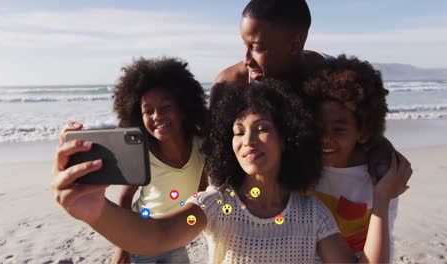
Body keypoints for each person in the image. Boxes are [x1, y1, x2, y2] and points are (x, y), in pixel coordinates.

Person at [52, 79, 411, 263]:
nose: (247, 140)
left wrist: (381, 199)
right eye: (237, 132)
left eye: (262, 128)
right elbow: (156, 235)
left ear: (287, 137)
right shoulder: (219, 206)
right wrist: (97, 212)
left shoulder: (311, 214)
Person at [211, 0, 407, 184]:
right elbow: (214, 156)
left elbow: (359, 125)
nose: (246, 59)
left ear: (294, 44)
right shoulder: (229, 85)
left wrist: (380, 146)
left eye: (257, 48)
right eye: (245, 45)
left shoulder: (327, 77)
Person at [57, 57, 209, 263]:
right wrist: (123, 248)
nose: (156, 116)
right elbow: (126, 198)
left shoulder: (202, 147)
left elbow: (202, 194)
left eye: (166, 107)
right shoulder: (142, 153)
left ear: (183, 109)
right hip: (141, 233)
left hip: (175, 236)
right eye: (148, 110)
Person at [302, 55, 400, 262]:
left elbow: (381, 246)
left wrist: (383, 196)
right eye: (317, 128)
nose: (325, 139)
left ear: (363, 132)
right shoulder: (301, 165)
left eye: (338, 130)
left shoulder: (380, 175)